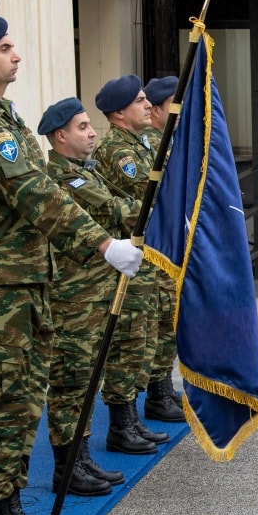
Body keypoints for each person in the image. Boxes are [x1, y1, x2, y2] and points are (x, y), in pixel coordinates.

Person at [0, 17, 143, 515]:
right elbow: (35, 195)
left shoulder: (6, 122)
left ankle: (9, 512)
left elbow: (43, 197)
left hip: (27, 278)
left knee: (25, 397)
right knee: (3, 398)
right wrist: (102, 245)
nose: (16, 55)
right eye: (4, 49)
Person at [39, 97, 139, 497]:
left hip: (92, 293)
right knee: (70, 380)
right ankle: (67, 468)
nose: (92, 131)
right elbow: (116, 210)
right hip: (72, 297)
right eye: (82, 127)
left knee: (85, 380)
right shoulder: (65, 178)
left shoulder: (86, 171)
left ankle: (79, 458)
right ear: (60, 135)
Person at [92, 76, 175, 453]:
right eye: (139, 101)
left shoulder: (142, 143)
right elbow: (150, 192)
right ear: (118, 113)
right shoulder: (117, 150)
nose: (148, 105)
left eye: (146, 99)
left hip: (150, 255)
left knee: (149, 334)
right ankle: (120, 424)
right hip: (130, 258)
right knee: (129, 340)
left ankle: (141, 410)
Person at [140, 75, 187, 420]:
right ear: (157, 110)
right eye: (175, 105)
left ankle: (163, 389)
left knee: (168, 324)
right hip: (153, 255)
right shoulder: (150, 147)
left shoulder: (168, 144)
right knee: (156, 327)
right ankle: (156, 395)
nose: (182, 112)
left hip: (169, 251)